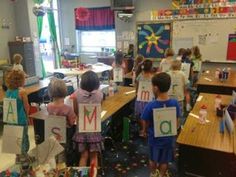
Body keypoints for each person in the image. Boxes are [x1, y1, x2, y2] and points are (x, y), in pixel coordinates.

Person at [141, 72, 180, 177]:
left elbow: (144, 120)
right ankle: (162, 174)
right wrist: (174, 131)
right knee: (164, 161)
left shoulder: (150, 105)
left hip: (154, 139)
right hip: (168, 139)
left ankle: (153, 174)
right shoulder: (175, 103)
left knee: (153, 159)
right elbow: (177, 120)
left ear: (156, 88)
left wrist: (144, 131)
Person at [73, 71, 103, 167]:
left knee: (83, 156)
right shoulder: (100, 94)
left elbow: (76, 112)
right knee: (94, 156)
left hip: (81, 128)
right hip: (94, 128)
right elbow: (98, 110)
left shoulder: (76, 94)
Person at [47, 78, 77, 165]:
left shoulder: (49, 106)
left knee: (55, 151)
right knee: (62, 154)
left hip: (53, 132)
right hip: (64, 133)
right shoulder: (67, 108)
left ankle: (56, 168)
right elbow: (72, 122)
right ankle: (62, 170)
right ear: (64, 90)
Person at [5, 70, 30, 162]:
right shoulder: (22, 92)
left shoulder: (8, 91)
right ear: (21, 80)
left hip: (11, 120)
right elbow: (26, 107)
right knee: (23, 138)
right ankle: (24, 157)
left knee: (15, 139)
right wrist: (27, 117)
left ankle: (18, 157)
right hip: (20, 119)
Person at [135, 59, 154, 137]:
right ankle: (146, 129)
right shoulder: (153, 78)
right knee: (148, 115)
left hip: (140, 99)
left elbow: (137, 87)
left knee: (141, 115)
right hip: (150, 99)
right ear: (151, 68)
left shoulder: (140, 76)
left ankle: (143, 130)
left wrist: (136, 94)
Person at [168, 60, 188, 125]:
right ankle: (178, 126)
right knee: (179, 113)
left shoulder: (167, 73)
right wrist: (185, 95)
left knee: (169, 112)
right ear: (180, 66)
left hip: (169, 97)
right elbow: (185, 86)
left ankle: (171, 124)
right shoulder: (182, 74)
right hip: (179, 97)